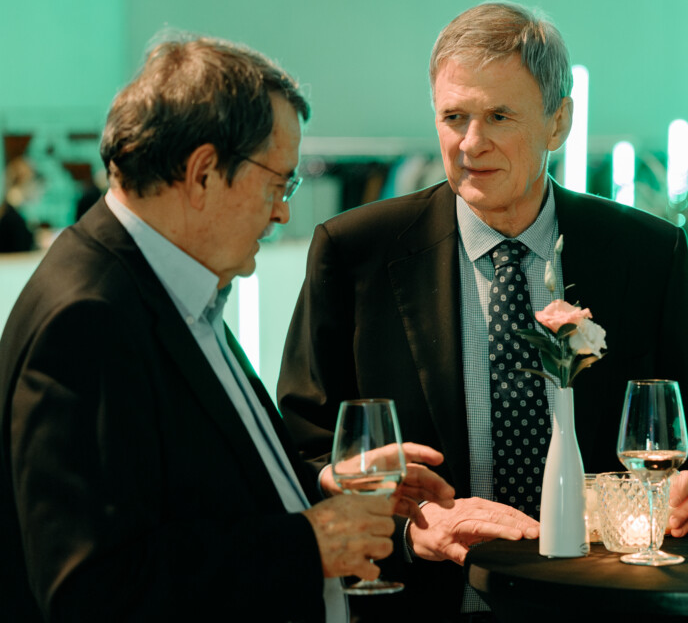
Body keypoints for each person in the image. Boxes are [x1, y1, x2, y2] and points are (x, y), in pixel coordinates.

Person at [278, 1, 688, 617]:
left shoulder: (648, 255)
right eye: (454, 117)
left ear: (558, 122)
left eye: (498, 116)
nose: (471, 143)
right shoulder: (354, 254)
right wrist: (410, 532)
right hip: (426, 603)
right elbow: (300, 454)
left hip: (607, 602)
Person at [0, 36, 454, 622]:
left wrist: (319, 486)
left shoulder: (169, 285)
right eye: (278, 184)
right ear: (203, 173)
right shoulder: (89, 320)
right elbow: (95, 587)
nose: (283, 211)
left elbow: (191, 494)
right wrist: (308, 542)